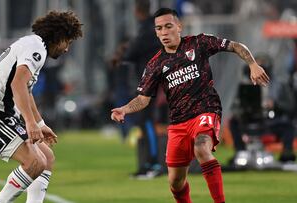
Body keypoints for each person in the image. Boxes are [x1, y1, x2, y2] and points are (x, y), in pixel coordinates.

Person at [111, 8, 269, 203]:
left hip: (206, 111)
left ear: (179, 26)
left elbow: (235, 45)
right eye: (159, 28)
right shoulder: (155, 64)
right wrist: (124, 109)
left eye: (168, 26)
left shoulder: (199, 42)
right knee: (175, 182)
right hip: (178, 123)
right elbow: (143, 99)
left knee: (202, 148)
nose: (164, 32)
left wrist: (253, 64)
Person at [0, 10, 82, 203]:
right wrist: (30, 123)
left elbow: (26, 90)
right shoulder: (36, 48)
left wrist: (39, 123)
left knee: (46, 158)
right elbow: (17, 85)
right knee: (34, 162)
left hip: (1, 112)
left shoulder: (33, 44)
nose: (66, 49)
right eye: (68, 42)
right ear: (58, 36)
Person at [112, 0, 166, 179]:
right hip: (152, 79)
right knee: (145, 122)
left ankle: (154, 164)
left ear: (137, 11)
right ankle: (147, 164)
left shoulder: (146, 29)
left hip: (149, 79)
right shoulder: (154, 28)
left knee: (147, 121)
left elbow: (131, 52)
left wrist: (125, 51)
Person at [229, 54, 296, 165]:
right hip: (249, 120)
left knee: (289, 126)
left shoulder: (279, 85)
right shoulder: (244, 86)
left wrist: (275, 105)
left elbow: (290, 106)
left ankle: (287, 154)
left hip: (270, 121)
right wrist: (243, 109)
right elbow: (235, 107)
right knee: (233, 122)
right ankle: (240, 152)